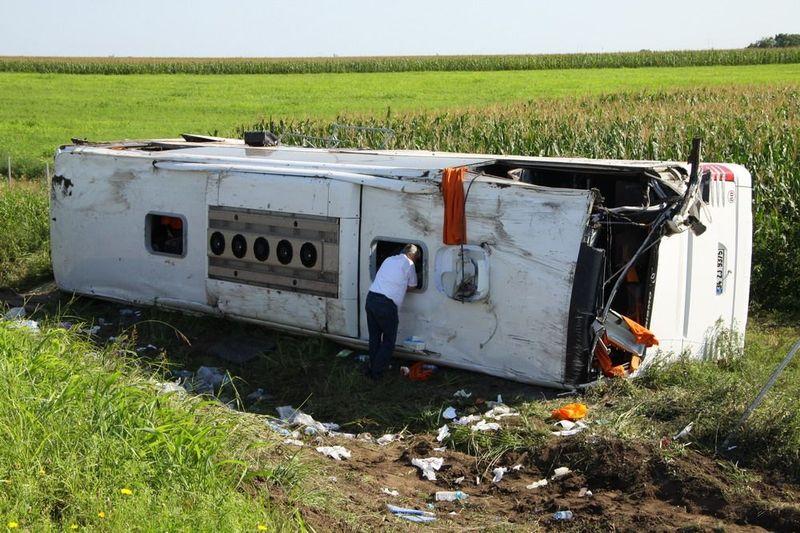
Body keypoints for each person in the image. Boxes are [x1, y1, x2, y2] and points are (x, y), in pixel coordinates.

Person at [365, 244, 420, 380]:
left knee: (374, 337)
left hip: (371, 298)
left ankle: (372, 368)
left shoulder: (389, 259)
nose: (416, 260)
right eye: (416, 258)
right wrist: (401, 286)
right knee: (389, 340)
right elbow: (413, 285)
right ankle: (376, 373)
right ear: (412, 255)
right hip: (386, 304)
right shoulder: (409, 264)